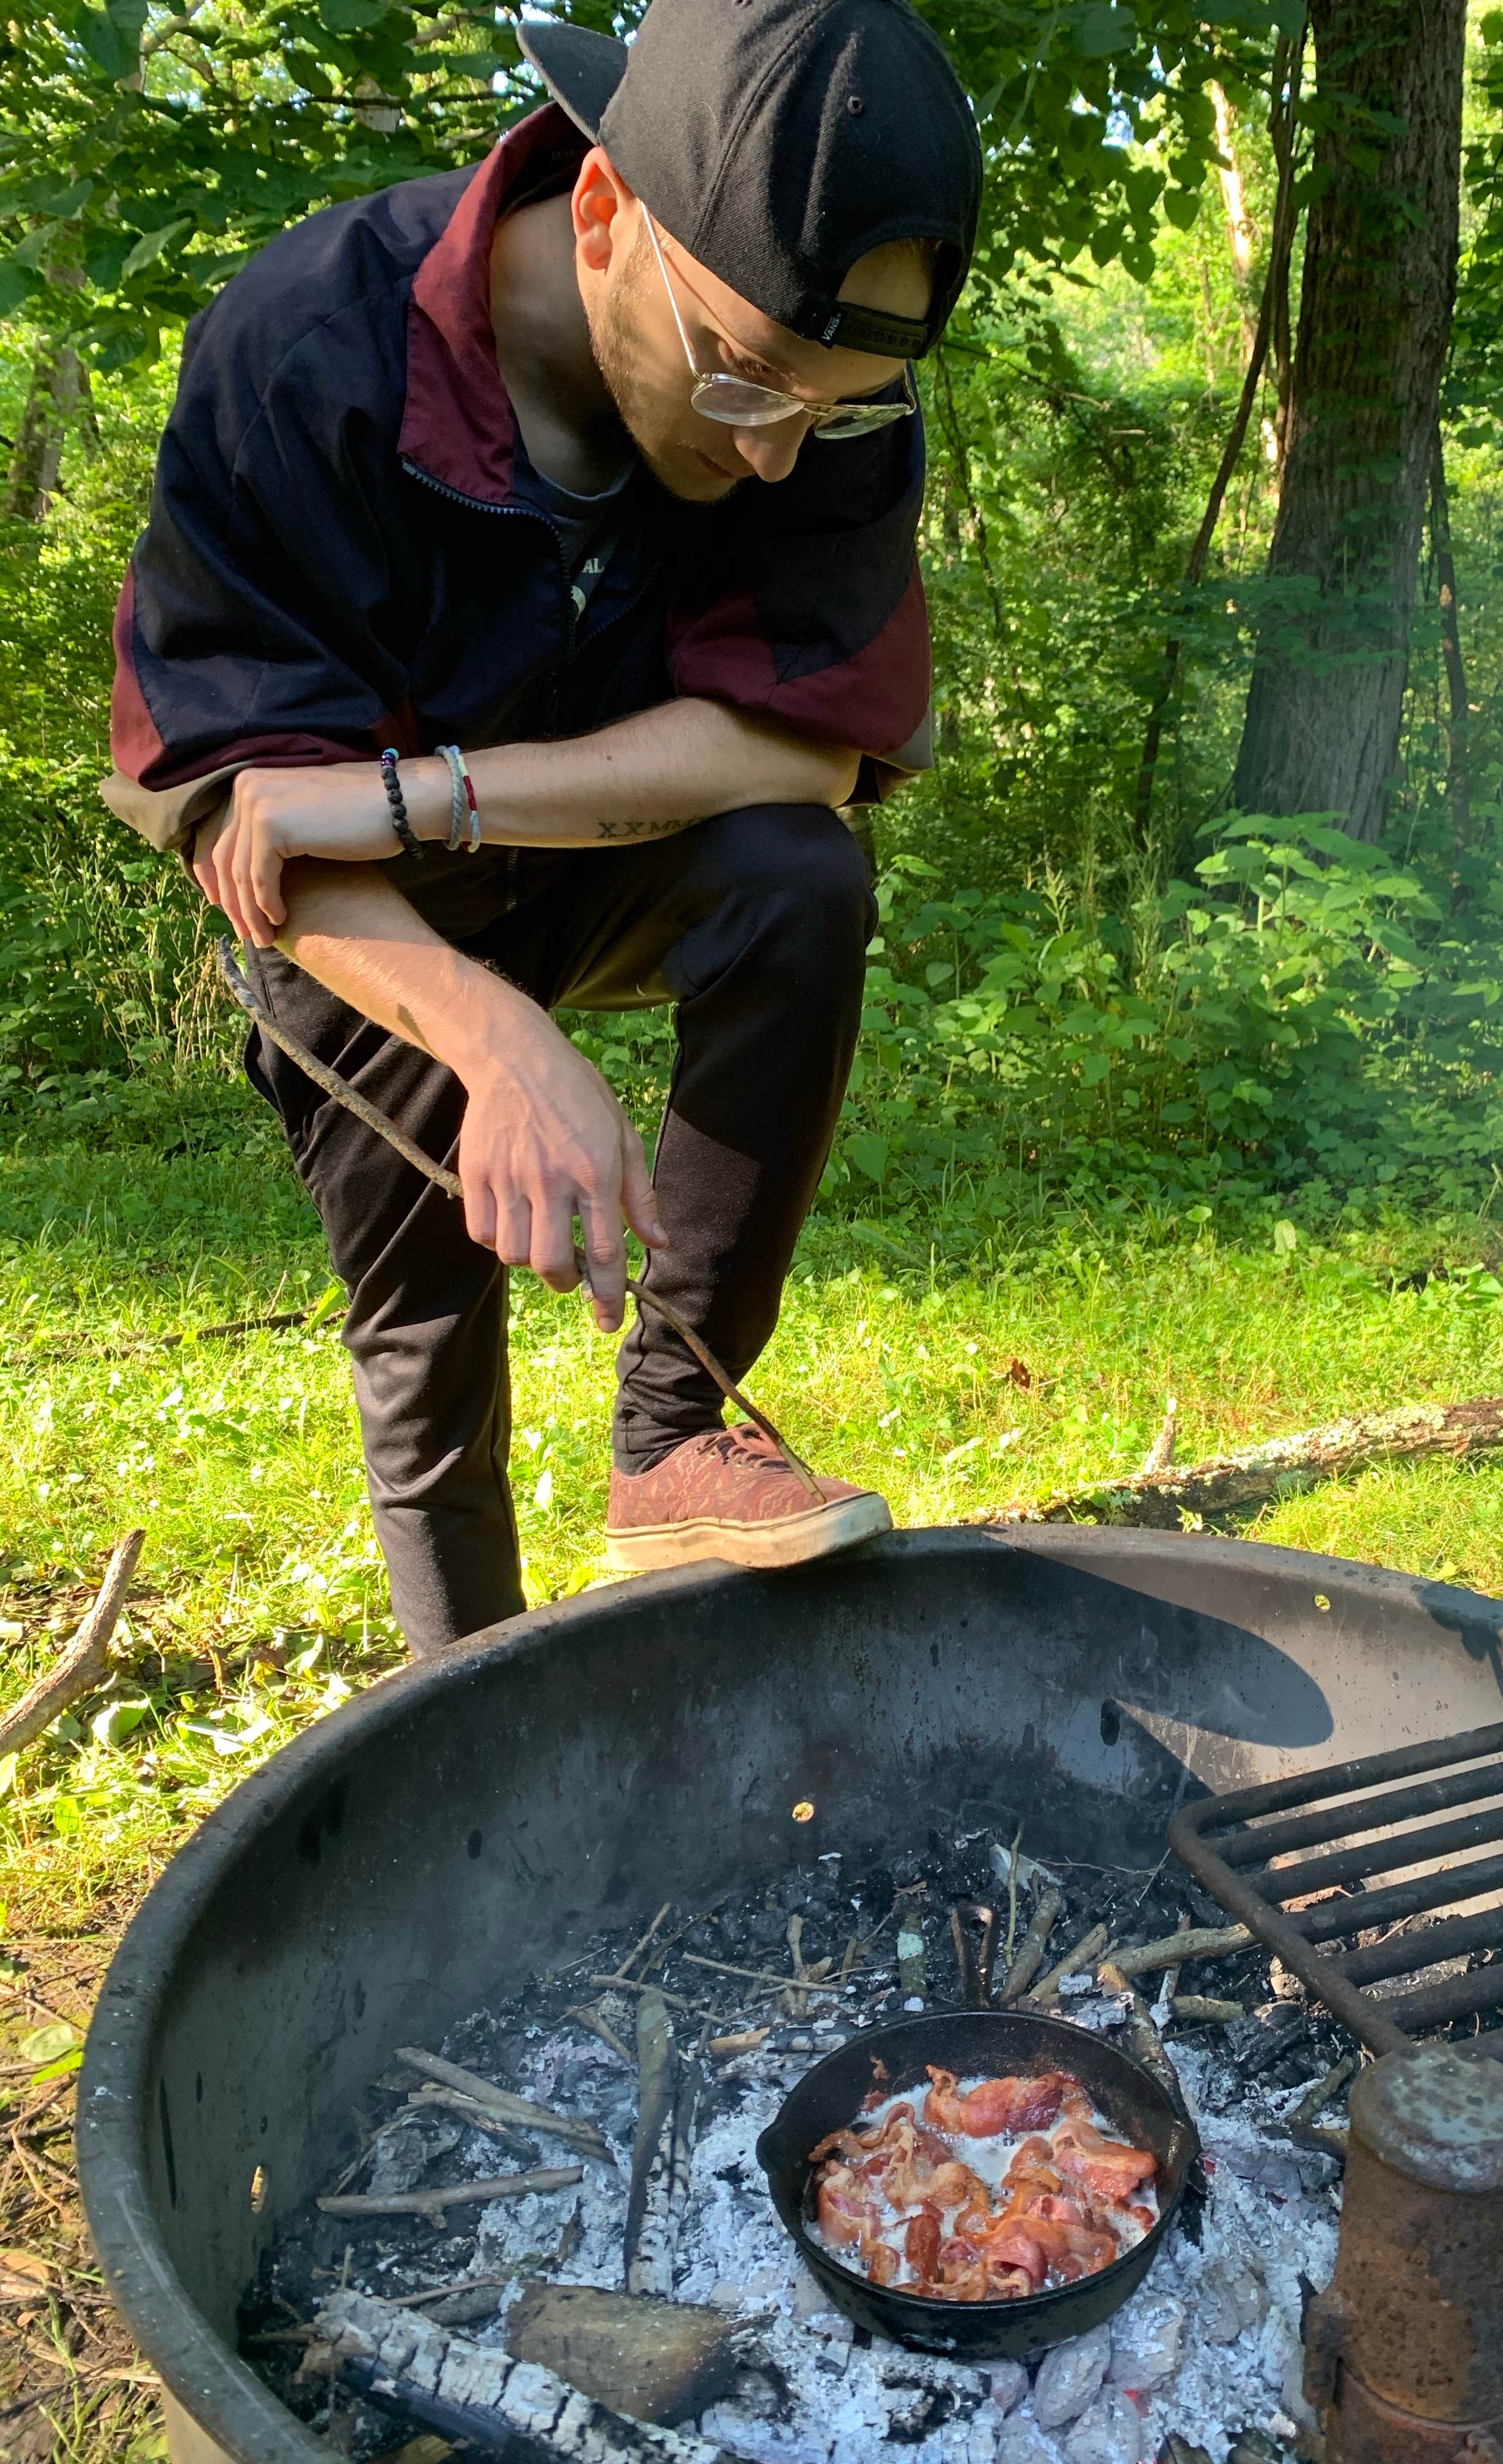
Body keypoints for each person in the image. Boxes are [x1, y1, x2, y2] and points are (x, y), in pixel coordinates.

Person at [101, 0, 983, 1655]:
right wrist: (491, 1034)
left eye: (834, 408)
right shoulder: (308, 351)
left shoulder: (825, 407)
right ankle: (476, 1739)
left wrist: (428, 789)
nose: (777, 448)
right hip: (360, 924)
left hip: (541, 850)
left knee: (800, 878)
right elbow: (249, 832)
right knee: (427, 1337)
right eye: (744, 379)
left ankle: (671, 1439)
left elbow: (809, 760)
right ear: (601, 214)